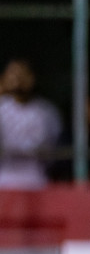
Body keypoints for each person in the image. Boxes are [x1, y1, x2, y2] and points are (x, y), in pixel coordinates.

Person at [0, 59, 62, 190]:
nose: (18, 79)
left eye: (22, 74)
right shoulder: (2, 107)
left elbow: (46, 148)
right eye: (13, 74)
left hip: (34, 180)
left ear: (32, 78)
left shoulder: (45, 112)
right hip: (4, 179)